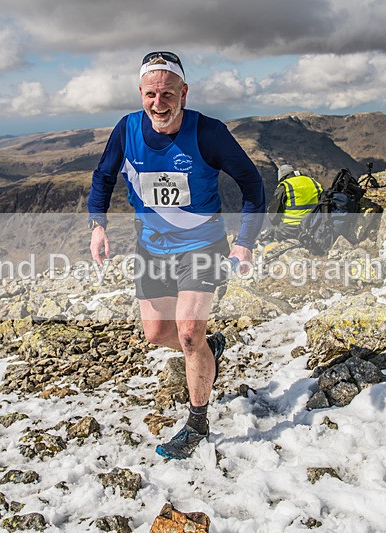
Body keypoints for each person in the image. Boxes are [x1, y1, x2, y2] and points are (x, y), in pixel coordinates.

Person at [88, 51, 266, 460]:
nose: (158, 102)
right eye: (151, 93)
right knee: (158, 334)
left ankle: (197, 424)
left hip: (202, 245)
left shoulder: (209, 133)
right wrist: (97, 225)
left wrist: (245, 241)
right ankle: (209, 349)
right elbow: (103, 175)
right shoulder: (127, 129)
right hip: (151, 247)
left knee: (187, 331)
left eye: (167, 93)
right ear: (140, 93)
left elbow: (253, 185)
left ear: (183, 92)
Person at [266, 164, 322, 241]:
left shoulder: (285, 186)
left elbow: (274, 213)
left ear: (282, 177)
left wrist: (274, 224)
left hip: (290, 229)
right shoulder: (312, 182)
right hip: (312, 226)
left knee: (269, 236)